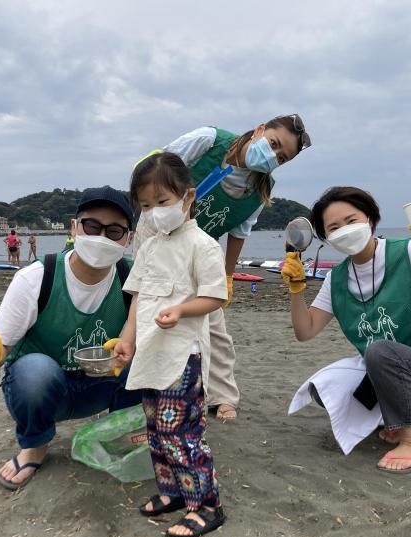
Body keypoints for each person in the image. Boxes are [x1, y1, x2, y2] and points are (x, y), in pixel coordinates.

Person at [282, 187, 411, 473]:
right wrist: (296, 290)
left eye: (351, 220)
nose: (345, 230)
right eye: (334, 227)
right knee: (327, 388)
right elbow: (305, 331)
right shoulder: (337, 279)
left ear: (370, 220)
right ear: (326, 237)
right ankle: (399, 421)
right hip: (391, 373)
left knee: (380, 350)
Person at [0, 186, 143, 490]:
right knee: (35, 371)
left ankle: (118, 431)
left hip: (102, 385)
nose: (101, 238)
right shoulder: (36, 276)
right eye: (92, 226)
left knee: (147, 357)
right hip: (45, 392)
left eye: (114, 231)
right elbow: (1, 347)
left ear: (129, 238)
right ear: (74, 227)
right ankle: (35, 446)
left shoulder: (134, 278)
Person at [133, 115, 312, 420]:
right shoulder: (210, 140)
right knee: (148, 305)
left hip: (202, 243)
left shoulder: (261, 189)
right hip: (157, 231)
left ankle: (222, 394)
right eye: (273, 144)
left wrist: (226, 277)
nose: (273, 157)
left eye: (281, 158)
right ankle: (143, 386)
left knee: (214, 322)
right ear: (259, 130)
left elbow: (239, 232)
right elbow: (159, 165)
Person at [112, 152, 228, 537]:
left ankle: (206, 504)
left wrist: (180, 310)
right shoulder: (149, 247)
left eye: (162, 202)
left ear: (187, 196)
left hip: (184, 355)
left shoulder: (202, 245)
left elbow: (215, 296)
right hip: (150, 351)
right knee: (156, 428)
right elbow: (138, 298)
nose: (155, 212)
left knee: (179, 430)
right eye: (146, 206)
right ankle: (173, 490)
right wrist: (127, 338)